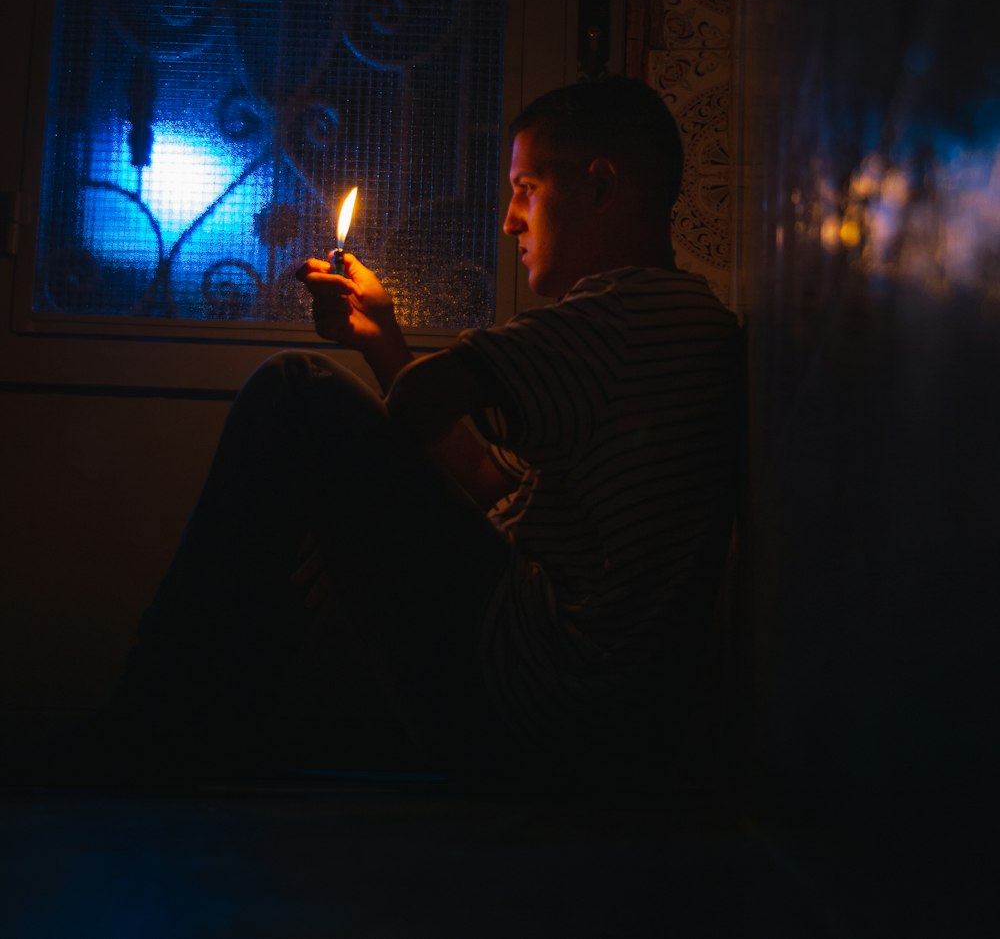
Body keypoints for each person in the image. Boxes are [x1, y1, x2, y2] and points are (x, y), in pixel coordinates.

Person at [94, 76, 742, 789]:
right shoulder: (682, 319)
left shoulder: (622, 315)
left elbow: (421, 405)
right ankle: (192, 729)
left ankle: (140, 730)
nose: (509, 222)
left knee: (295, 390)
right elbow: (490, 480)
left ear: (599, 188)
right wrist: (382, 341)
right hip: (597, 721)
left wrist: (379, 389)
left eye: (525, 188)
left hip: (541, 689)